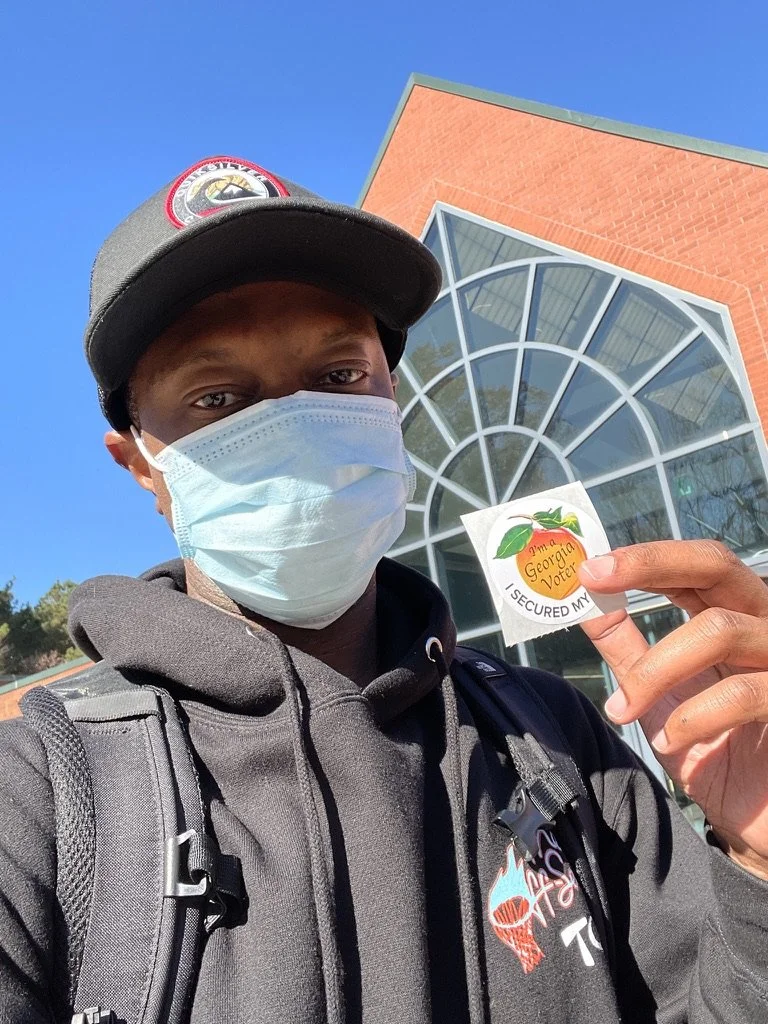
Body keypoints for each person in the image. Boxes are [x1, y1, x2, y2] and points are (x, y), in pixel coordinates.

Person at [1, 155, 767, 1024]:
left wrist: (759, 864)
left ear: (391, 397)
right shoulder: (40, 801)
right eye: (217, 398)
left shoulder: (557, 738)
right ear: (141, 464)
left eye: (338, 376)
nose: (294, 426)